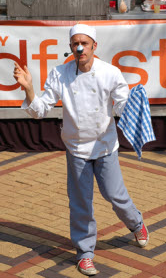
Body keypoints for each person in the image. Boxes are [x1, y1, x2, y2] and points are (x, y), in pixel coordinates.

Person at [14, 24, 149, 276]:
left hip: (105, 146)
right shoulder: (60, 74)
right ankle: (85, 253)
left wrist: (132, 105)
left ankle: (136, 222)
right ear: (70, 48)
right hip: (76, 148)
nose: (79, 48)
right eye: (75, 44)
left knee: (115, 196)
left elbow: (121, 105)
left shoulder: (110, 72)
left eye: (84, 43)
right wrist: (28, 88)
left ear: (94, 46)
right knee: (80, 204)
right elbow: (40, 110)